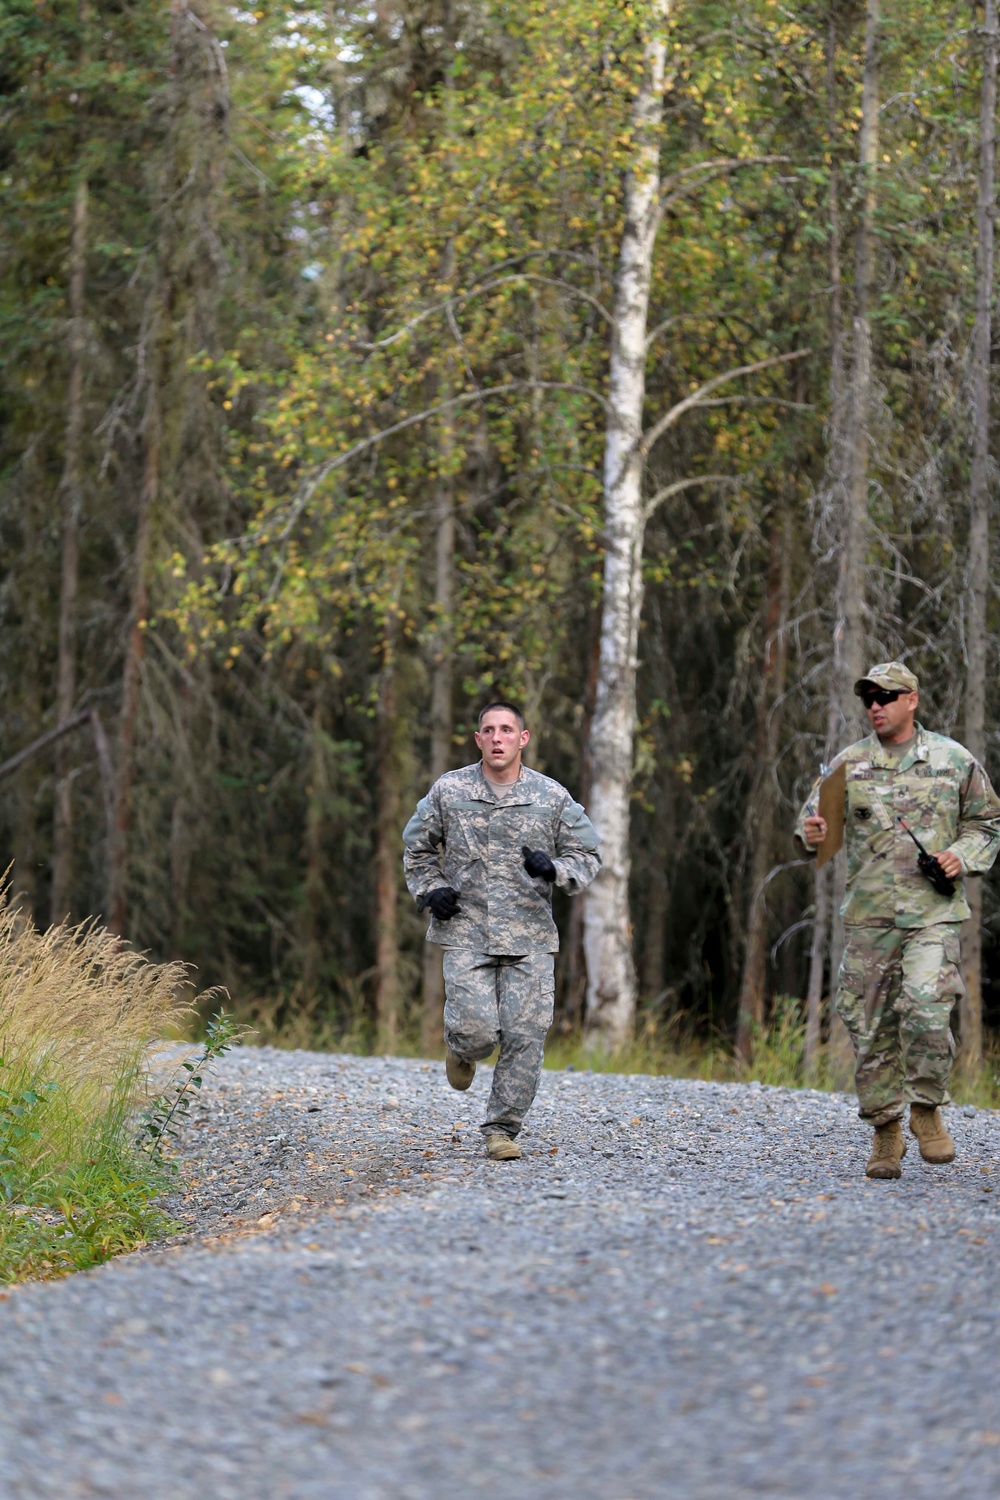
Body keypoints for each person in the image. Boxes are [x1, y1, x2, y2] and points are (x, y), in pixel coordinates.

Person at [795, 661, 1000, 1179]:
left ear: (912, 700)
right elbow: (813, 826)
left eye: (887, 695)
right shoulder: (849, 764)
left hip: (933, 914)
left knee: (928, 1009)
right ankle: (886, 1133)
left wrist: (960, 855)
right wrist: (811, 836)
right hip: (869, 919)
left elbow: (987, 823)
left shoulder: (954, 760)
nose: (875, 705)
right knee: (868, 1028)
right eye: (868, 696)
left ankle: (926, 1111)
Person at [402, 701, 601, 1161]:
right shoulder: (449, 790)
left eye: (506, 730)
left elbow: (588, 855)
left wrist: (554, 868)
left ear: (523, 739)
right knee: (476, 1032)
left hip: (528, 936)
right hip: (465, 930)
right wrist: (432, 890)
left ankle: (501, 1130)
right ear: (478, 740)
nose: (497, 738)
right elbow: (417, 848)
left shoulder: (551, 797)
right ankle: (462, 1050)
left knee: (525, 1035)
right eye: (488, 730)